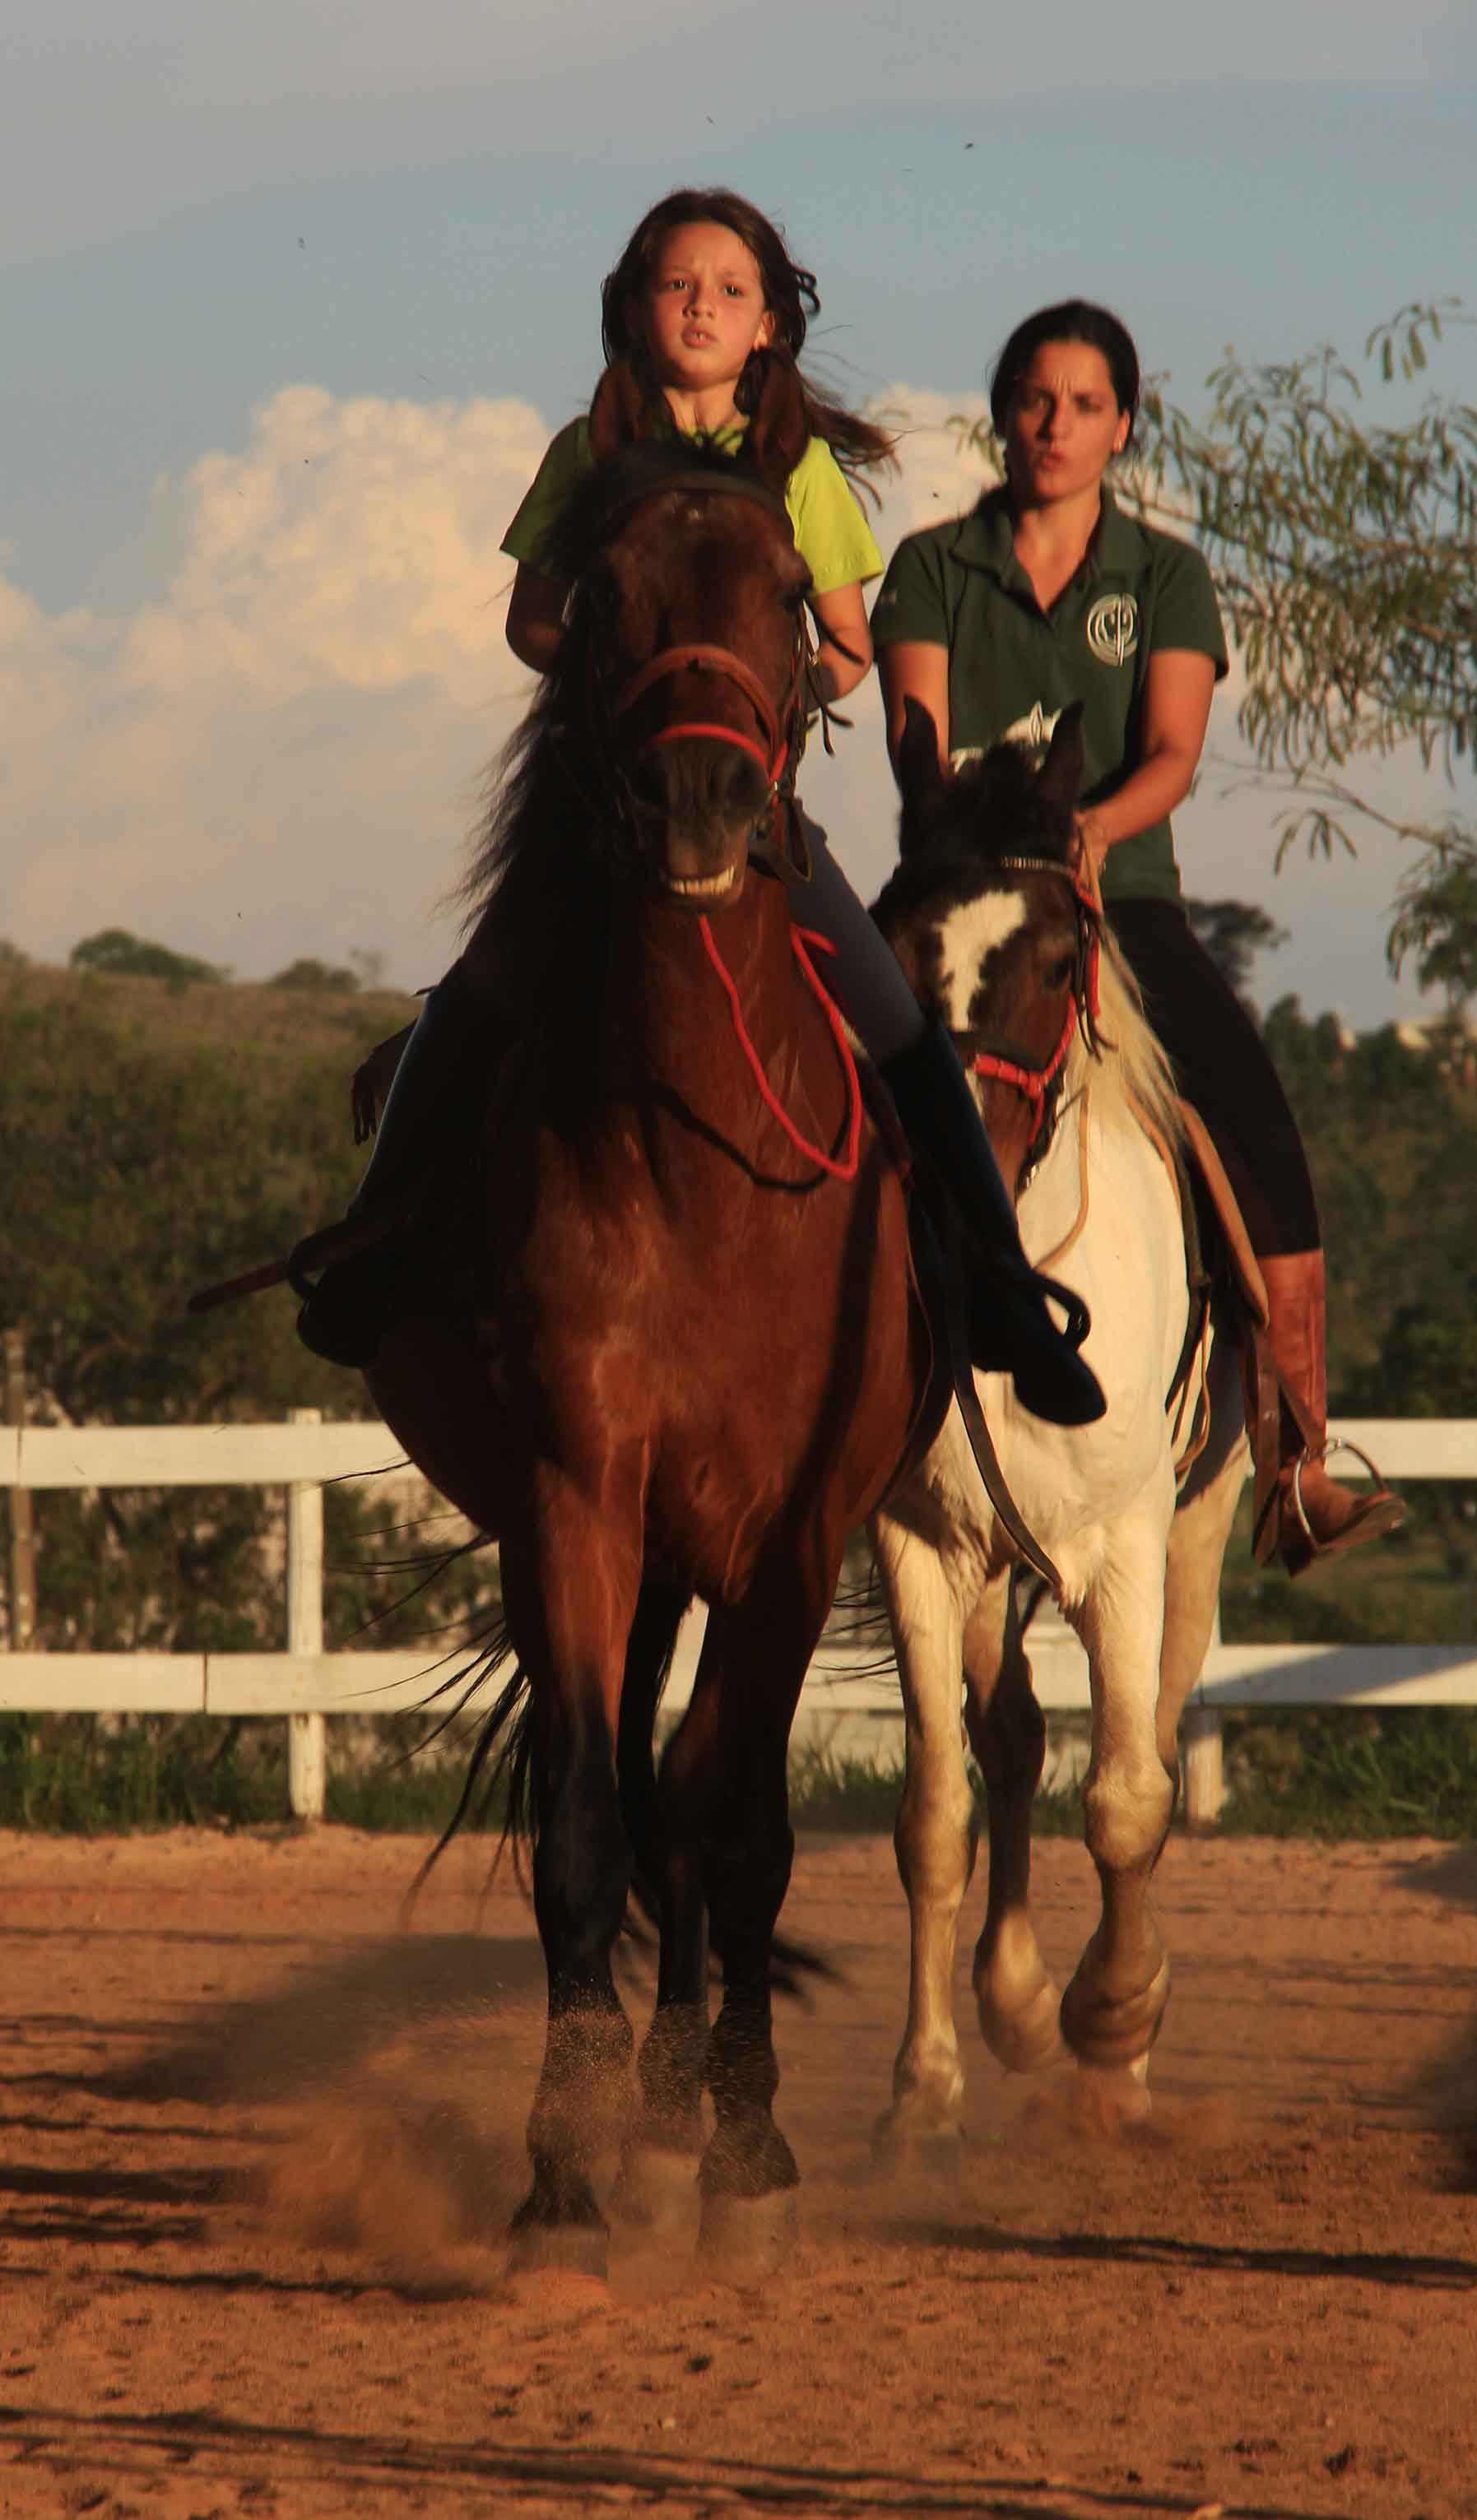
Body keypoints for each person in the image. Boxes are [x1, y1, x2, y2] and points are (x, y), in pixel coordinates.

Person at [296, 192, 1103, 1427]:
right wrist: (616, 669)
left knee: (900, 1030)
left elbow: (843, 648)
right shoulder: (587, 452)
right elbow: (530, 621)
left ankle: (997, 1286)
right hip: (600, 815)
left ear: (770, 324)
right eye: (678, 285)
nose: (702, 307)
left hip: (758, 819)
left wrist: (775, 683)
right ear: (632, 306)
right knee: (474, 997)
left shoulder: (804, 470)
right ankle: (375, 1247)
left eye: (730, 291)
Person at [871, 297, 1404, 1573]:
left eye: (1085, 404)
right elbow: (915, 746)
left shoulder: (1164, 575)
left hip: (1118, 896)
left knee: (1256, 1131)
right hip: (955, 897)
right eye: (1034, 399)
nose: (1055, 425)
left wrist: (1092, 831)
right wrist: (977, 833)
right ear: (1000, 411)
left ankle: (1298, 1459)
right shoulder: (932, 567)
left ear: (1123, 425)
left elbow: (1171, 753)